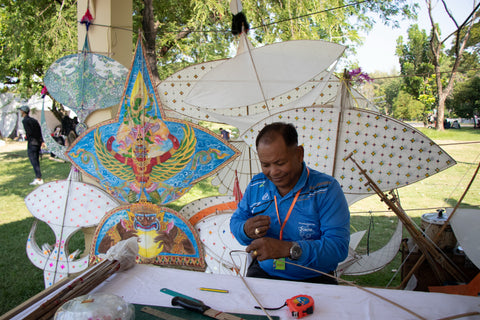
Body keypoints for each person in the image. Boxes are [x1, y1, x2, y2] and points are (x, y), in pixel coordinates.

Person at [230, 122, 350, 284]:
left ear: (299, 154)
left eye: (280, 163)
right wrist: (245, 229)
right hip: (264, 272)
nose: (273, 172)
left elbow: (338, 248)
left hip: (313, 277)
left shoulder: (326, 189)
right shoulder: (257, 185)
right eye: (265, 165)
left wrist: (288, 249)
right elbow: (236, 221)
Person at [19, 105, 45, 185]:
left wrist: (28, 138)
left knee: (33, 160)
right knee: (36, 160)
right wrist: (41, 141)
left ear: (23, 111)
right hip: (37, 142)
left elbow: (29, 132)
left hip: (32, 142)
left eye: (21, 110)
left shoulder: (25, 121)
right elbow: (39, 130)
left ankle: (38, 178)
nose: (20, 112)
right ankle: (38, 177)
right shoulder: (34, 120)